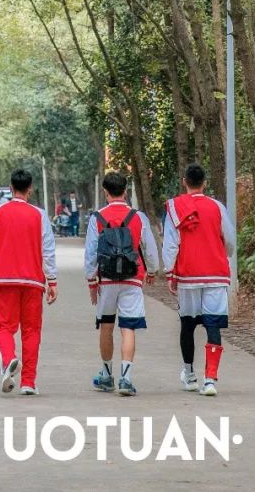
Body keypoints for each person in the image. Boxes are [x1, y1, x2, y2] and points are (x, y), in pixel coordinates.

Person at [0, 166, 57, 395]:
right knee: (31, 330)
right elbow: (48, 250)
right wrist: (52, 281)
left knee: (4, 328)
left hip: (5, 280)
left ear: (11, 188)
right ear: (30, 189)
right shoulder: (39, 215)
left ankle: (10, 358)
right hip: (33, 281)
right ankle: (28, 382)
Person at [84, 169, 160, 398]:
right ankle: (126, 378)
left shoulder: (97, 218)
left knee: (106, 326)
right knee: (128, 328)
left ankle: (107, 375)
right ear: (125, 191)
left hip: (106, 280)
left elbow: (90, 254)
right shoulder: (138, 217)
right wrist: (152, 270)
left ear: (105, 192)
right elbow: (149, 248)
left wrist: (91, 282)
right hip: (132, 279)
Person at [163, 161, 235, 396]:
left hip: (188, 274)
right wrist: (223, 254)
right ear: (204, 183)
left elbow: (171, 244)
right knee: (213, 325)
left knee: (188, 324)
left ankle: (190, 374)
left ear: (184, 181)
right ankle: (210, 379)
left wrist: (169, 272)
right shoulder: (217, 207)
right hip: (215, 273)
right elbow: (230, 239)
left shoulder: (176, 207)